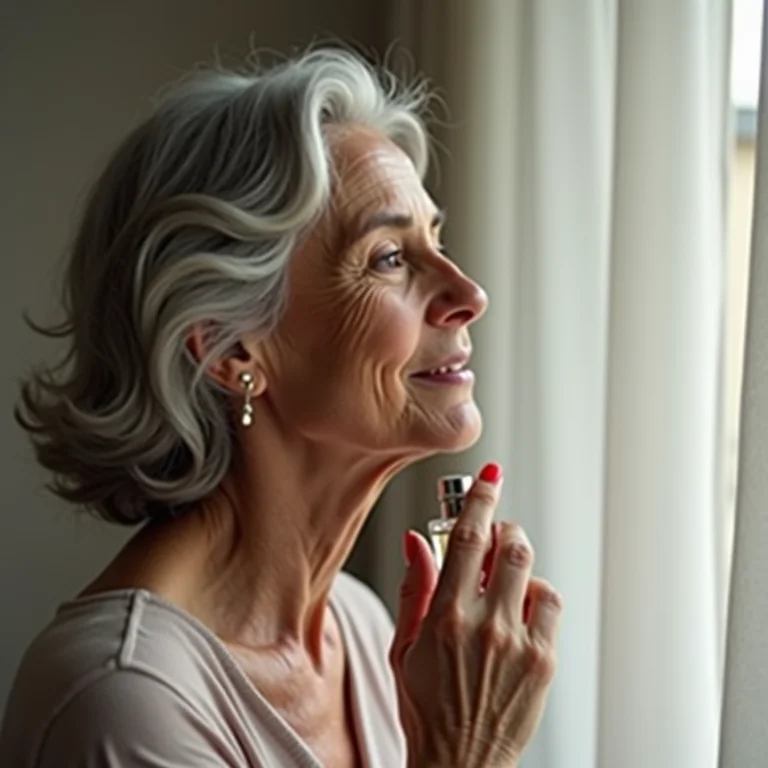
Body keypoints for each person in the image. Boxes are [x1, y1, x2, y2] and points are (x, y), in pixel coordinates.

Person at [0, 47, 563, 767]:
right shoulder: (124, 700)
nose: (468, 293)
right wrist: (465, 750)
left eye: (437, 240)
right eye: (389, 257)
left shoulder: (360, 626)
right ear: (232, 348)